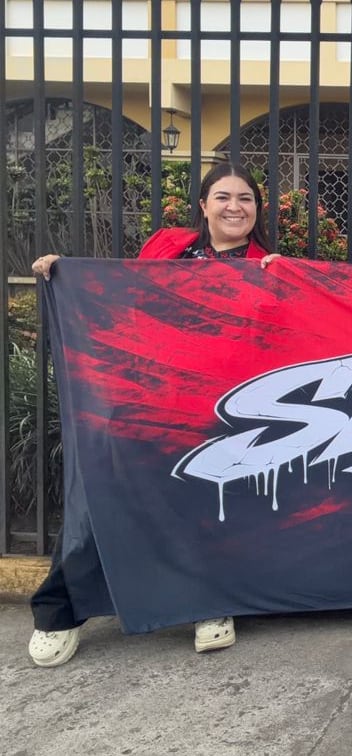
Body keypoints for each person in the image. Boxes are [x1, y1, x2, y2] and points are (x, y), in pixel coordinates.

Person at [27, 161, 280, 667]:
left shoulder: (269, 265)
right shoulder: (169, 245)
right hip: (144, 398)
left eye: (245, 198)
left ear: (258, 208)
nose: (234, 207)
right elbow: (122, 290)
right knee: (100, 500)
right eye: (224, 197)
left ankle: (211, 604)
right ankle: (60, 611)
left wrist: (282, 282)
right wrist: (68, 271)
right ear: (204, 205)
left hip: (214, 411)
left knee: (208, 506)